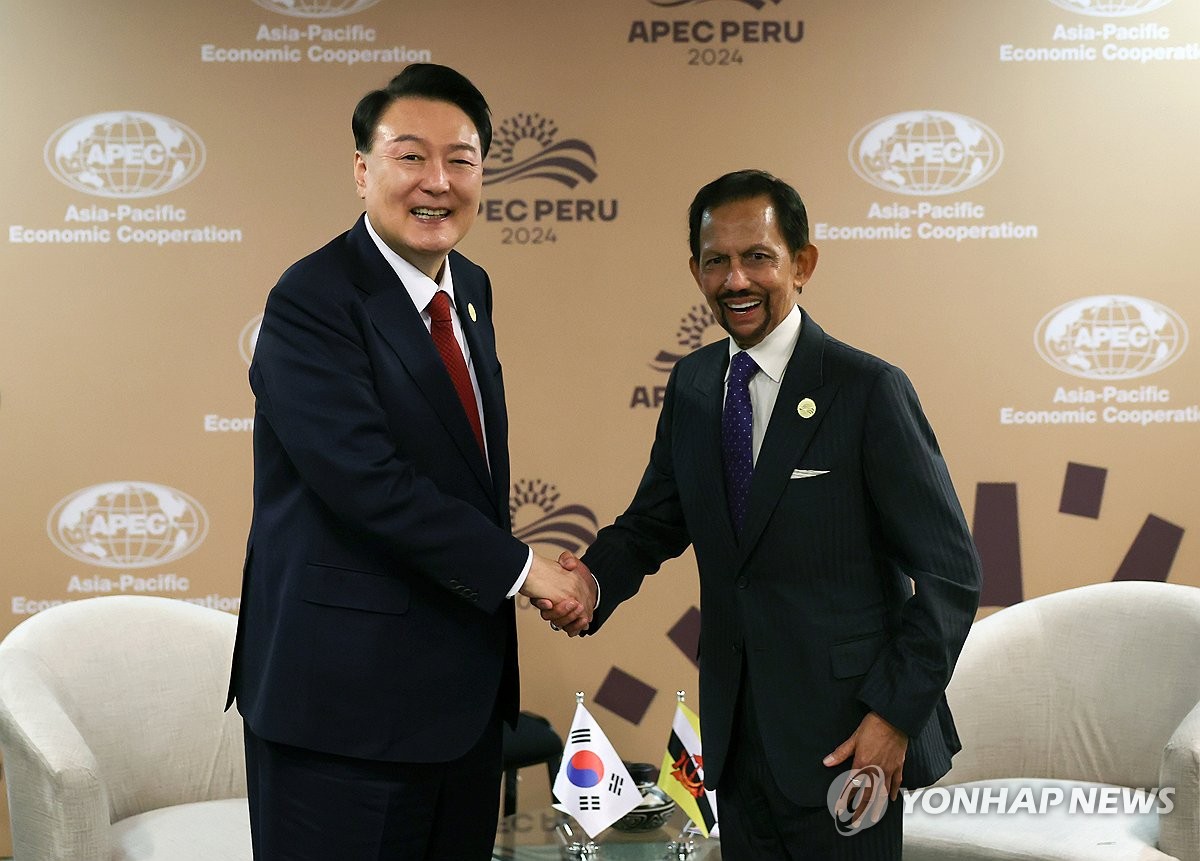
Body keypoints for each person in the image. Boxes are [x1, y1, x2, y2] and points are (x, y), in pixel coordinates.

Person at [544, 170, 982, 858]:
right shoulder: (693, 385)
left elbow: (952, 575)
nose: (735, 279)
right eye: (716, 260)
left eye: (758, 257)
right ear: (696, 271)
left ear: (802, 264)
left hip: (847, 739)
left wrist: (894, 715)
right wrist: (589, 584)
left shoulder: (867, 390)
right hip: (737, 740)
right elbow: (654, 521)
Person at [227, 63, 593, 861]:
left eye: (460, 159)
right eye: (409, 157)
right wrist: (524, 570)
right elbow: (369, 484)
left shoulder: (471, 289)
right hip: (341, 715)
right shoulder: (312, 299)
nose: (438, 182)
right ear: (362, 170)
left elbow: (461, 470)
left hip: (459, 710)